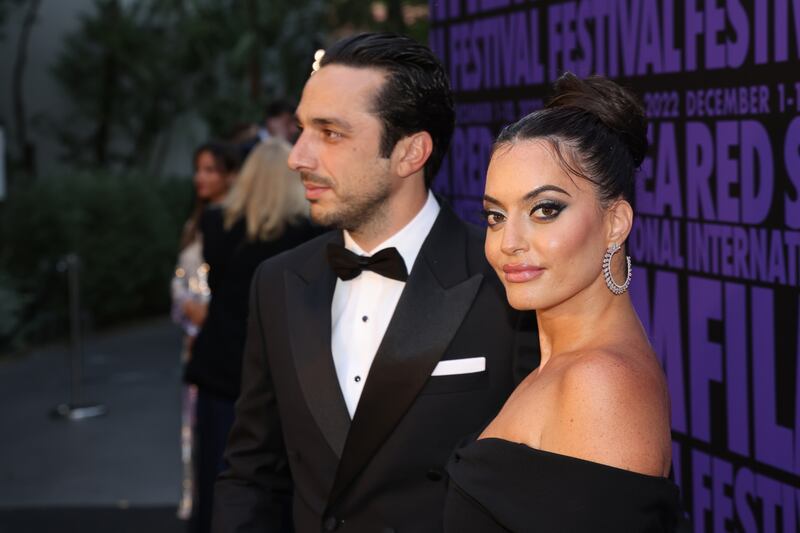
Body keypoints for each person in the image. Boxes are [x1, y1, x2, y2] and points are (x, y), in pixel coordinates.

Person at [212, 33, 539, 533]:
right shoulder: (277, 283)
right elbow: (253, 472)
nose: (297, 156)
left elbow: (539, 483)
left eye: (330, 133)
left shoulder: (505, 279)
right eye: (302, 129)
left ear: (410, 153)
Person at [443, 73, 682, 532]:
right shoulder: (563, 365)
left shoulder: (599, 384)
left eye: (545, 210)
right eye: (495, 216)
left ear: (616, 222)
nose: (507, 242)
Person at [184, 138, 318, 533]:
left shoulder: (216, 225)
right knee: (277, 474)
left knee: (219, 469)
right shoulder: (306, 234)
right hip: (281, 369)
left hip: (221, 365)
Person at [171, 141, 239, 520]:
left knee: (216, 437)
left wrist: (206, 313)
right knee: (195, 432)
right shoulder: (196, 221)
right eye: (198, 169)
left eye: (210, 169)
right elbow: (178, 281)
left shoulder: (232, 223)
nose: (201, 177)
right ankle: (197, 504)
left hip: (217, 342)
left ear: (230, 175)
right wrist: (186, 308)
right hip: (194, 340)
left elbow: (236, 290)